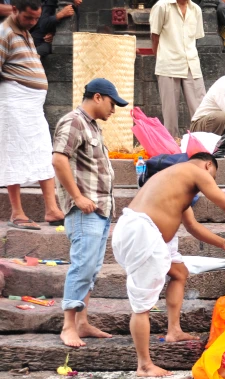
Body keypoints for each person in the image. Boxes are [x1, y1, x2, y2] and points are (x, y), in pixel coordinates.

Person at [112, 153, 225, 377]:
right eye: (213, 176)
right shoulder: (194, 171)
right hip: (142, 232)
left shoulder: (176, 182)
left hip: (148, 233)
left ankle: (174, 330)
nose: (210, 182)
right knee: (141, 305)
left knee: (179, 272)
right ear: (207, 165)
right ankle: (144, 365)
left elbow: (191, 226)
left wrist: (224, 244)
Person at [52, 79, 127, 348]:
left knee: (92, 269)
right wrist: (78, 197)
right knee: (82, 266)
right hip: (84, 209)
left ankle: (82, 323)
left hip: (101, 209)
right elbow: (59, 159)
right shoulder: (73, 121)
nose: (114, 109)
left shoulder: (92, 125)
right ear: (97, 97)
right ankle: (68, 326)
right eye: (112, 103)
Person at [0, 0, 64, 231]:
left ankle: (52, 209)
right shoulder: (4, 33)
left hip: (33, 107)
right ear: (15, 11)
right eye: (28, 18)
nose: (33, 23)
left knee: (42, 152)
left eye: (36, 19)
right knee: (14, 153)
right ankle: (17, 212)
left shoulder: (25, 32)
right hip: (13, 103)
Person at [150, 0, 207, 139]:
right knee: (170, 113)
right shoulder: (162, 6)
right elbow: (154, 36)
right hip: (168, 62)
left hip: (191, 63)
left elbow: (195, 38)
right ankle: (171, 146)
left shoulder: (196, 9)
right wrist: (160, 58)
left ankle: (201, 142)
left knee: (201, 109)